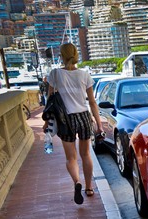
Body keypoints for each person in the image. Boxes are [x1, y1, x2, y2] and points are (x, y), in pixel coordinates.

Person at [43, 43, 103, 205]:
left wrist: (48, 122)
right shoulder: (85, 75)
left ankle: (77, 181)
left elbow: (50, 102)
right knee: (86, 155)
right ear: (76, 54)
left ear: (61, 56)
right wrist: (99, 124)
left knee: (71, 158)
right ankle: (89, 188)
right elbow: (92, 102)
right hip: (83, 117)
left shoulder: (55, 74)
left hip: (65, 120)